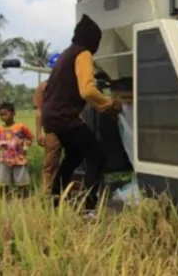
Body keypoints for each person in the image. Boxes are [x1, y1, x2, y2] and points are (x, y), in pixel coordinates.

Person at [42, 14, 122, 214]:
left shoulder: (67, 53)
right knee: (98, 155)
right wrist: (109, 104)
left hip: (52, 116)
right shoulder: (83, 54)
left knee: (74, 155)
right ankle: (89, 207)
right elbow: (87, 90)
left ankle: (55, 199)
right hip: (64, 117)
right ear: (91, 39)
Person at [0, 102, 34, 196]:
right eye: (1, 115)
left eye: (5, 114)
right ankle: (5, 200)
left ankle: (23, 199)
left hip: (19, 159)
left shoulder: (21, 127)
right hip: (4, 160)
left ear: (13, 113)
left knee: (21, 182)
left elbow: (30, 137)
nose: (3, 117)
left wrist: (25, 148)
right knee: (3, 182)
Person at [33, 81, 61, 192]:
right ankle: (45, 192)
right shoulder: (44, 86)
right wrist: (39, 132)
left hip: (72, 127)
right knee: (50, 163)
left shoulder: (75, 82)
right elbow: (39, 110)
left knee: (76, 162)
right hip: (53, 129)